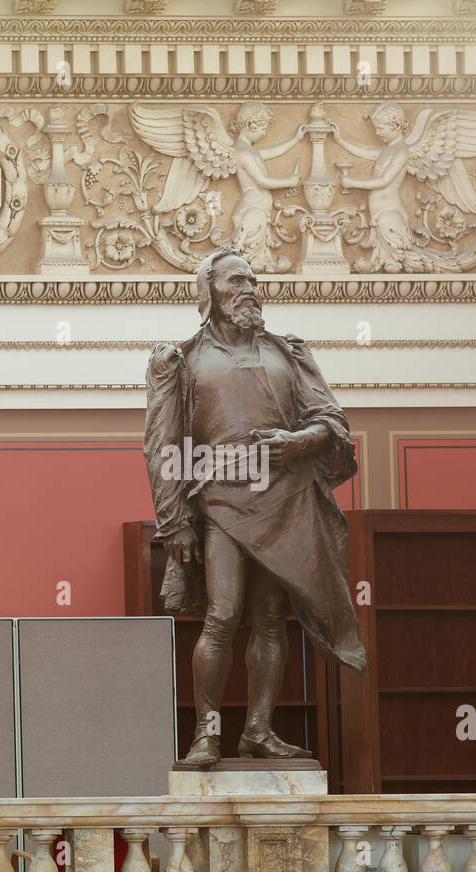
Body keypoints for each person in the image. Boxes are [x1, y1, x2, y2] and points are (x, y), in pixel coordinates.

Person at [143, 247, 366, 766]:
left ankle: (259, 731)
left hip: (287, 499)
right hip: (221, 499)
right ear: (208, 294)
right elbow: (162, 444)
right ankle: (206, 735)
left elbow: (331, 420)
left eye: (252, 279)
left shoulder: (288, 352)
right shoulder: (180, 360)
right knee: (221, 615)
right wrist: (173, 520)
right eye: (235, 280)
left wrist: (298, 443)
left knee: (271, 617)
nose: (249, 288)